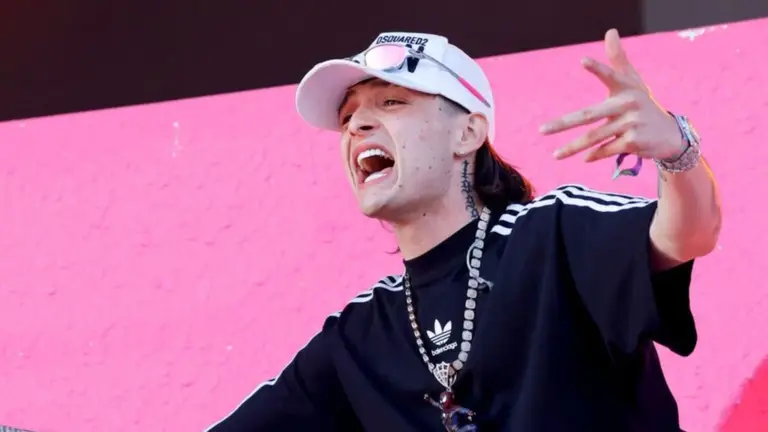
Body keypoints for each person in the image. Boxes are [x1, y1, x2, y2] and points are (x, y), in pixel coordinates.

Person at [205, 29, 721, 431]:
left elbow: (688, 235)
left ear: (468, 132)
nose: (357, 126)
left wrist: (676, 149)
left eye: (391, 102)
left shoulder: (551, 234)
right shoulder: (358, 336)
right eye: (347, 119)